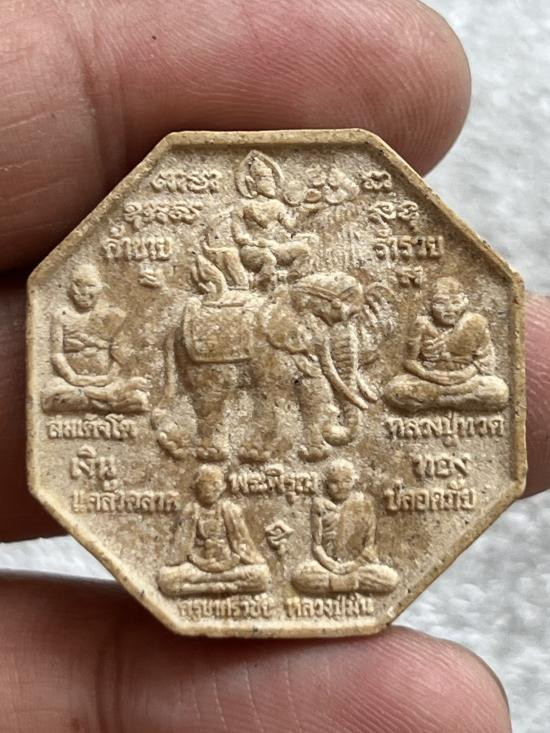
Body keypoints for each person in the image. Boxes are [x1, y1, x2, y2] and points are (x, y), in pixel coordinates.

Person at [2, 2, 547, 729]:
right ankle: (231, 426)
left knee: (303, 365)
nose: (264, 205)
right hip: (234, 305)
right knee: (244, 366)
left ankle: (302, 421)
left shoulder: (301, 250)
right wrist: (249, 261)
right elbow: (215, 260)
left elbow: (294, 262)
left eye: (268, 199)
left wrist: (288, 256)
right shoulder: (228, 228)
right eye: (257, 198)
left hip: (280, 314)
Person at [384, 276, 509, 412]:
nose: (449, 309)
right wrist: (427, 374)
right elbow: (409, 361)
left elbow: (485, 361)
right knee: (395, 390)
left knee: (499, 391)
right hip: (429, 380)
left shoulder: (475, 324)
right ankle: (456, 401)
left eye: (456, 303)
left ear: (465, 302)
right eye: (441, 303)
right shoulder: (422, 325)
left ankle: (438, 401)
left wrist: (464, 375)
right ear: (429, 305)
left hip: (465, 382)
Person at [40, 263, 150, 413]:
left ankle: (98, 398)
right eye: (77, 284)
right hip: (71, 383)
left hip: (108, 382)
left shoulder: (113, 315)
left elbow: (121, 356)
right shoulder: (61, 315)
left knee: (137, 398)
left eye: (90, 285)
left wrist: (108, 378)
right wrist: (74, 378)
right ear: (69, 288)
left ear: (101, 287)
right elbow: (57, 354)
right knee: (52, 397)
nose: (83, 291)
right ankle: (105, 401)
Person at [158, 465, 270, 596]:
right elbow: (179, 551)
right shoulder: (191, 510)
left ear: (222, 487)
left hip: (229, 566)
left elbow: (244, 545)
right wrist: (196, 560)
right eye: (204, 485)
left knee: (261, 574)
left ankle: (207, 588)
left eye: (214, 485)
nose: (209, 490)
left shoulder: (230, 509)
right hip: (197, 567)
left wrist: (234, 560)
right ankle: (223, 587)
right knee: (167, 577)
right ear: (196, 487)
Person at [292, 459, 399, 594]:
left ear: (354, 481)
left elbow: (370, 546)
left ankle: (338, 583)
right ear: (326, 484)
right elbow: (317, 546)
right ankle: (350, 582)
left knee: (390, 578)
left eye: (346, 481)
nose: (341, 486)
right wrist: (333, 566)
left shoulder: (364, 504)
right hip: (328, 567)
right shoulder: (319, 505)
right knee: (300, 576)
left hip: (358, 567)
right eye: (334, 482)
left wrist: (353, 565)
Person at [231, 150, 318, 286]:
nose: (272, 183)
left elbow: (291, 227)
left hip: (275, 246)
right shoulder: (243, 205)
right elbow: (238, 234)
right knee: (268, 258)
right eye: (266, 179)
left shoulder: (277, 205)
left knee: (304, 250)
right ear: (252, 183)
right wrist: (255, 242)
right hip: (252, 249)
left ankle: (293, 280)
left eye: (272, 179)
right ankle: (260, 285)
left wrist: (303, 212)